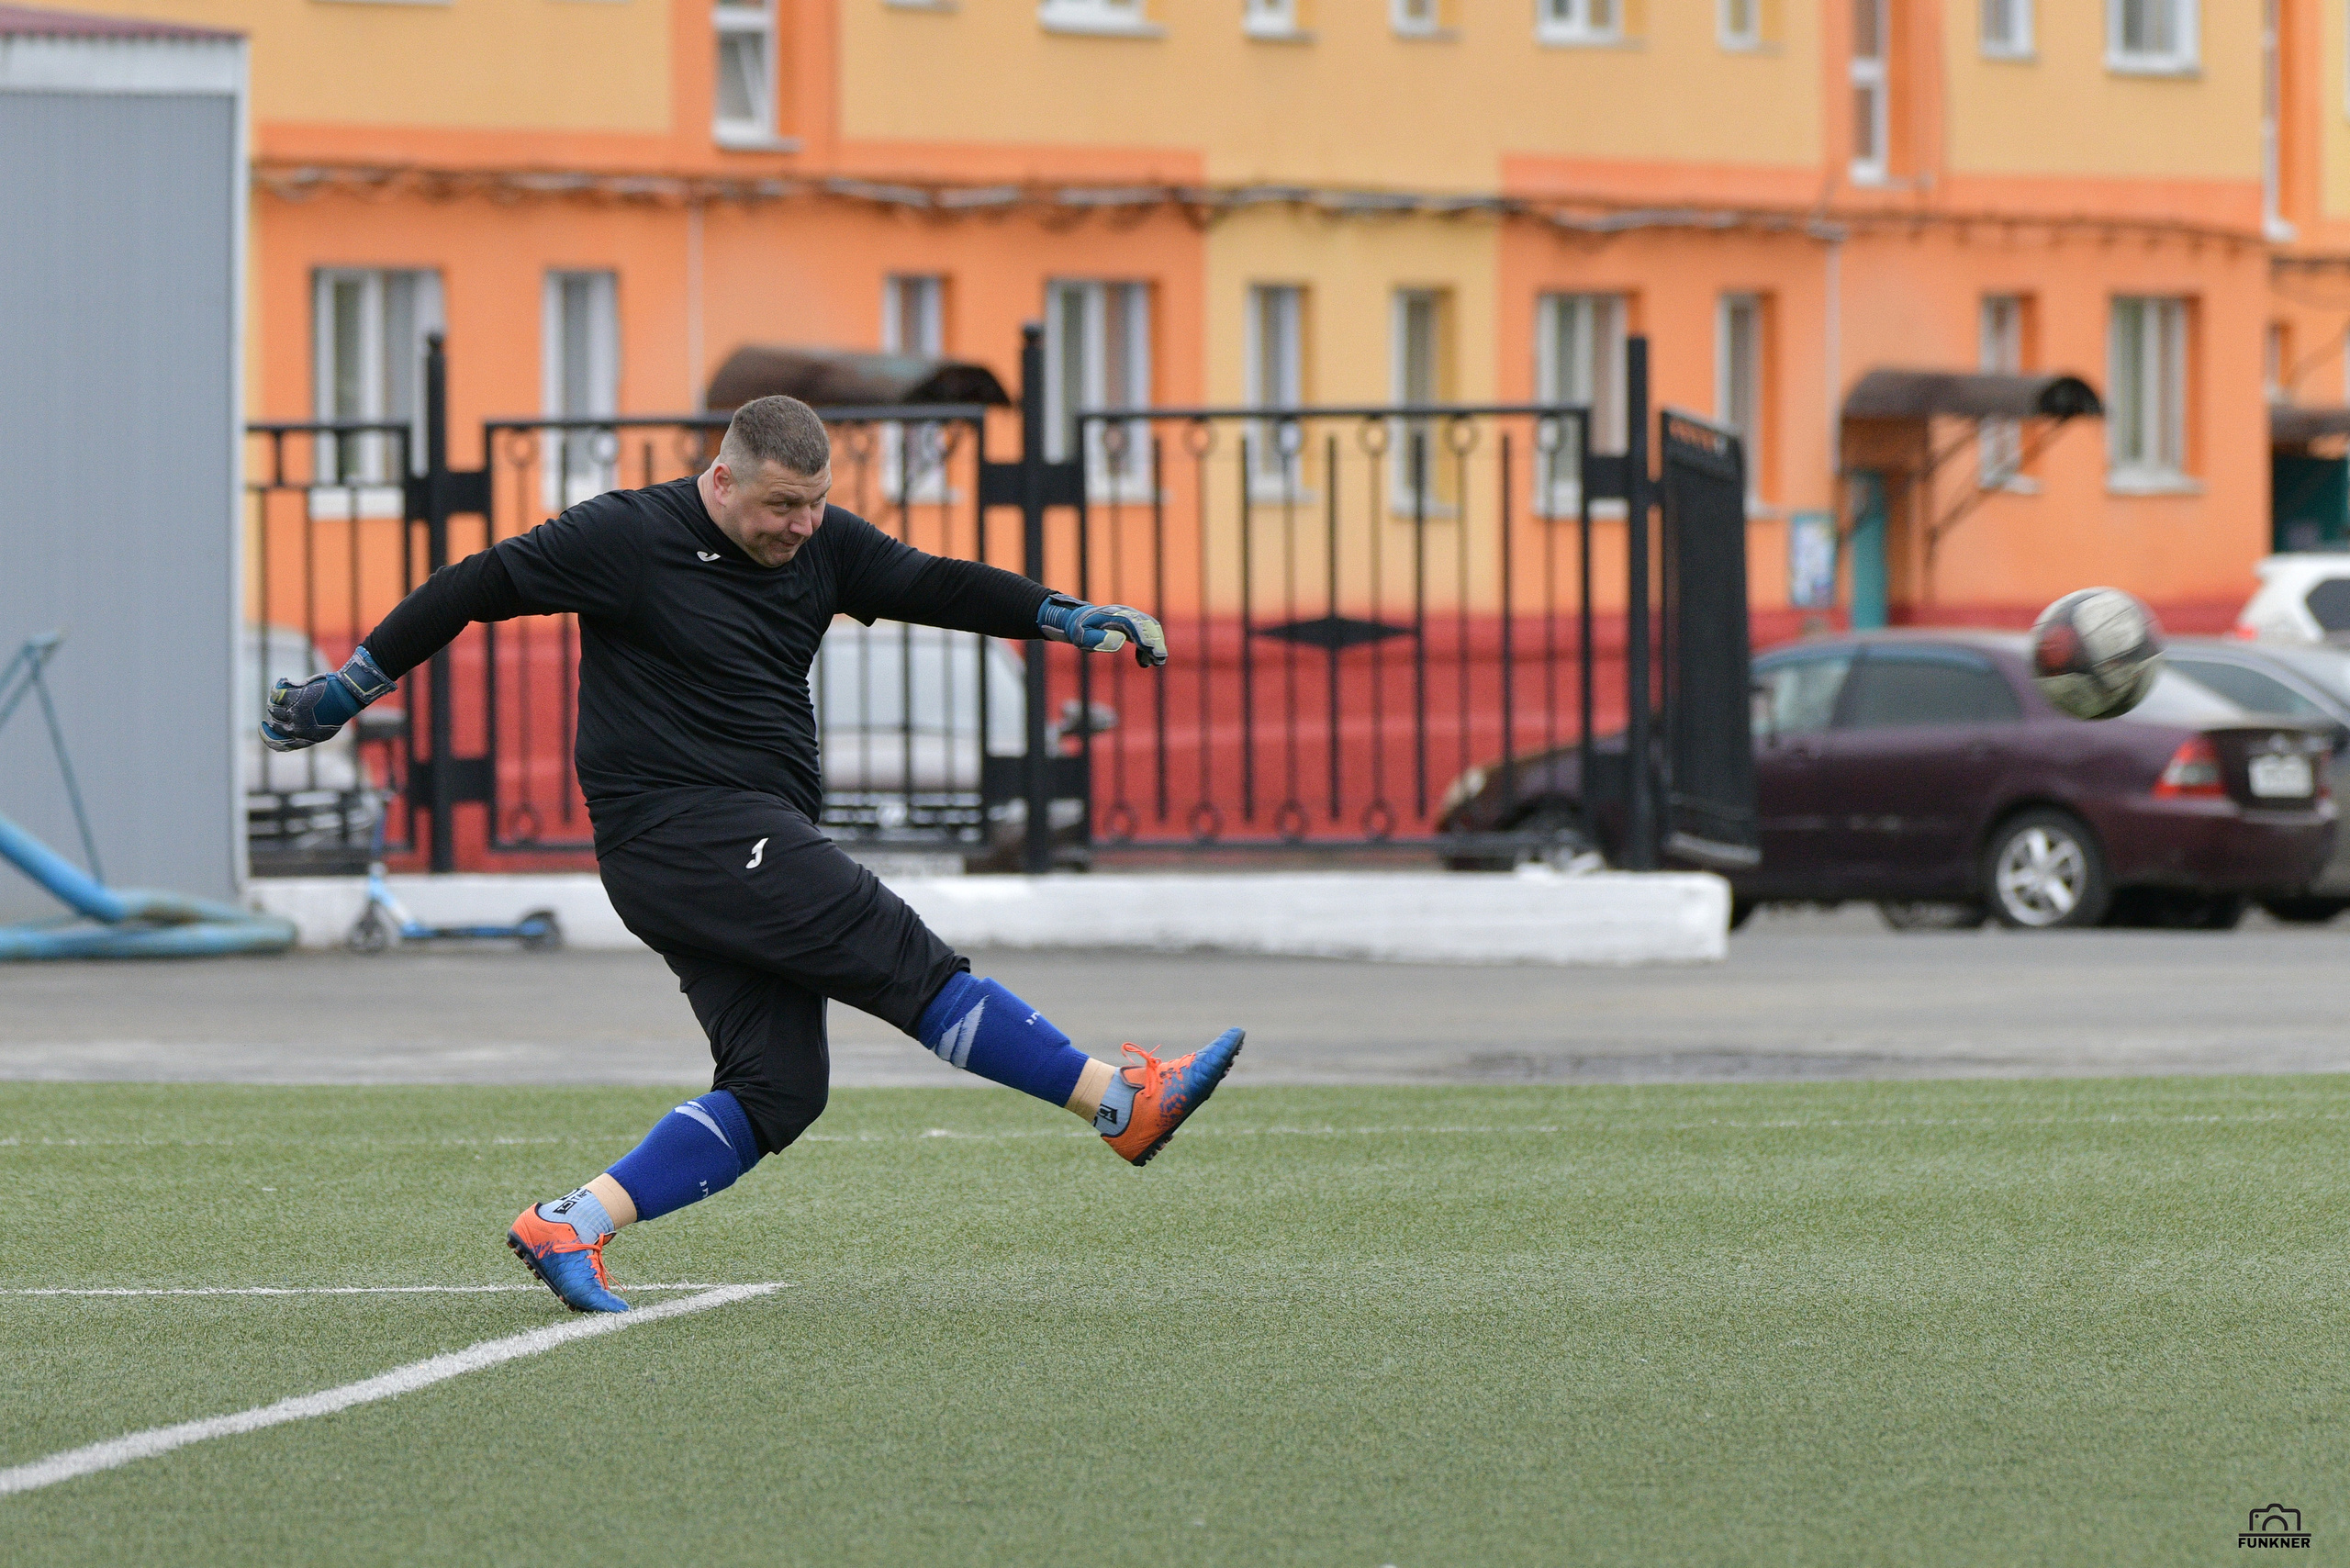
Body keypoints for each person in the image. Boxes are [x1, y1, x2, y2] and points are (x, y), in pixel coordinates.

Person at [263, 395, 1244, 1314]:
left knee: (780, 1089)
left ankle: (571, 1224)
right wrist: (355, 683)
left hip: (723, 849)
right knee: (902, 957)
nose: (802, 526)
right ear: (723, 481)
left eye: (816, 505)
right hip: (684, 830)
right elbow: (476, 584)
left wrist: (1061, 614)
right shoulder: (625, 537)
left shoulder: (820, 545)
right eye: (782, 504)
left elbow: (930, 581)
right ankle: (1121, 1103)